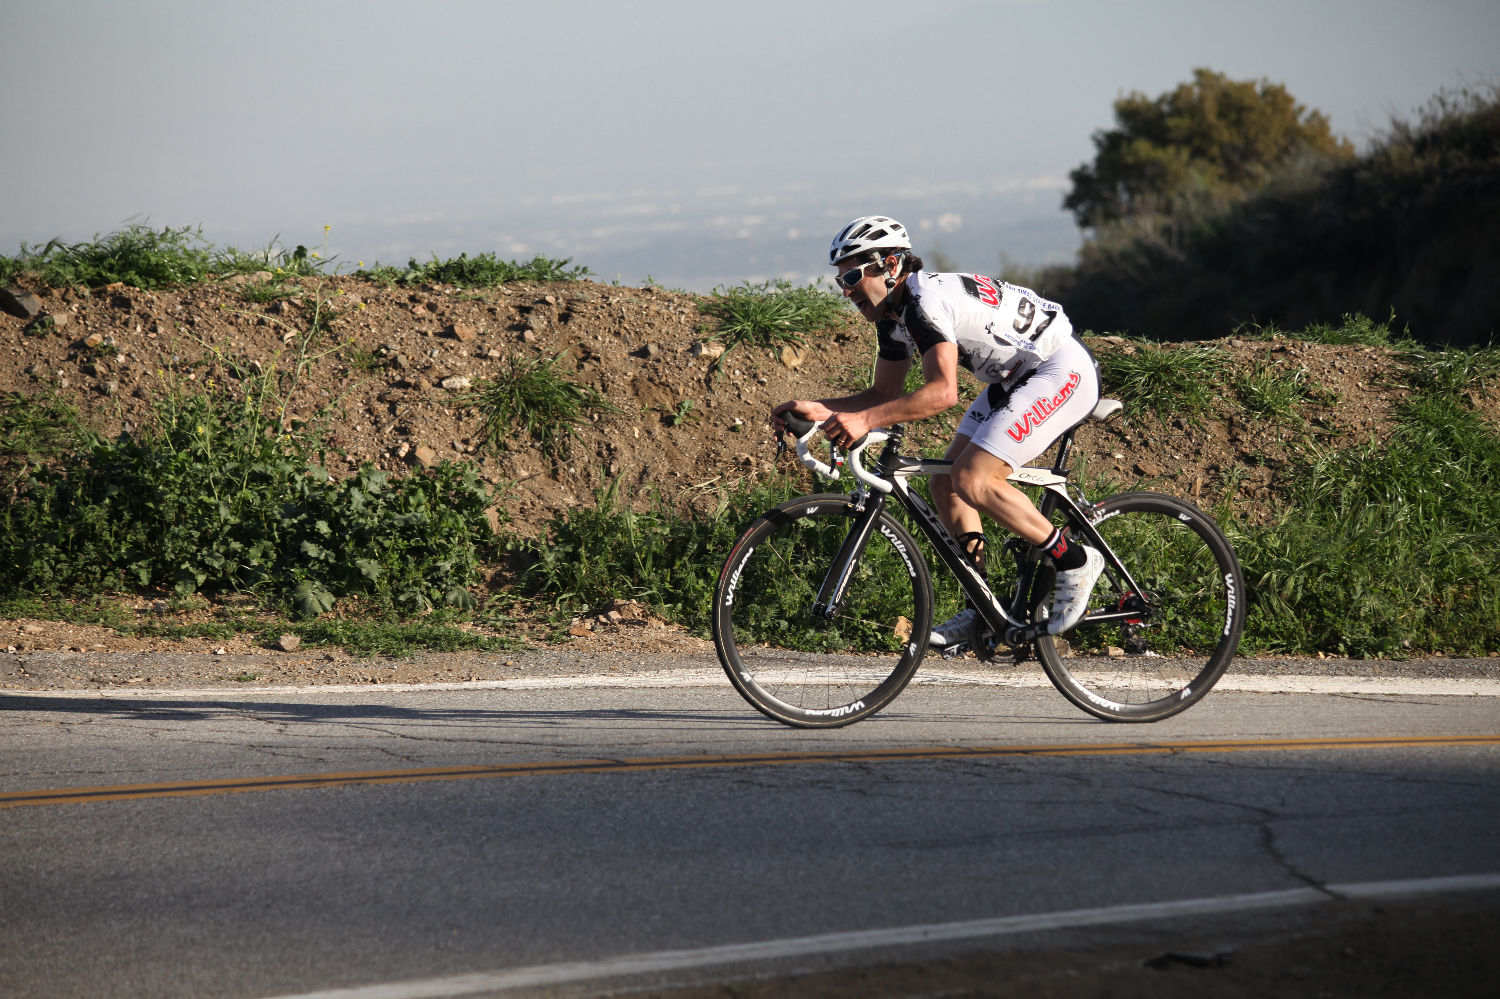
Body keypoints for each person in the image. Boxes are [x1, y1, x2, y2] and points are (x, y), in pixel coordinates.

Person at [772, 215, 1105, 650]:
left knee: (973, 478)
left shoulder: (923, 302)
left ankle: (1075, 561)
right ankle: (983, 609)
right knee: (945, 482)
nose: (846, 290)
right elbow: (883, 392)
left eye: (853, 276)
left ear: (891, 265)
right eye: (840, 280)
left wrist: (865, 421)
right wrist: (821, 410)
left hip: (1058, 369)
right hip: (1013, 378)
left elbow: (943, 393)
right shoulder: (893, 314)